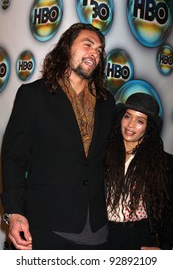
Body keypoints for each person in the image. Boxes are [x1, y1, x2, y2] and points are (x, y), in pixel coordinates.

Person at [1, 23, 116, 250]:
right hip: (45, 228)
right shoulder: (34, 95)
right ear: (66, 48)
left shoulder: (107, 102)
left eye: (100, 50)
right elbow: (14, 158)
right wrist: (14, 212)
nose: (95, 53)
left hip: (97, 231)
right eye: (88, 45)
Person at [106, 92, 173, 250]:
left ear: (148, 127)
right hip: (103, 237)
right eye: (127, 116)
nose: (130, 125)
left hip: (139, 239)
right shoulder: (104, 154)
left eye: (140, 121)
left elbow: (169, 211)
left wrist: (165, 247)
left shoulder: (163, 163)